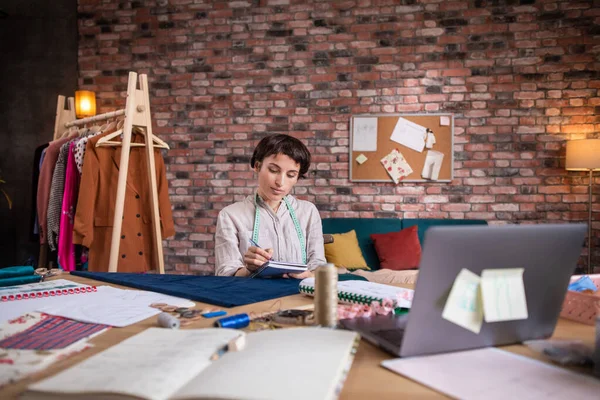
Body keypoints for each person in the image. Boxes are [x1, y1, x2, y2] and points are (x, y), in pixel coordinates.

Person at [215, 134, 326, 278]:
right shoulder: (230, 215)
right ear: (257, 166)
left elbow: (319, 267)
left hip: (297, 296)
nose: (280, 182)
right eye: (273, 170)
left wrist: (306, 275)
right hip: (252, 298)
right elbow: (224, 275)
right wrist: (249, 269)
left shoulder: (308, 212)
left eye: (291, 175)